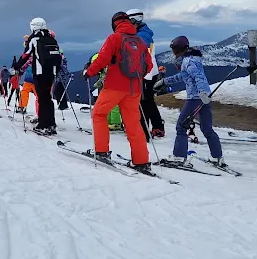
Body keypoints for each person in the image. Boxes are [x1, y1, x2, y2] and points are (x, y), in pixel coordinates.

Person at [83, 12, 153, 174]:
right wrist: (135, 78)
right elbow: (148, 66)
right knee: (133, 123)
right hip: (134, 89)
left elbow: (102, 59)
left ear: (114, 24)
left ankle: (101, 152)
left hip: (114, 87)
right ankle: (141, 161)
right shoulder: (141, 42)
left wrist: (89, 72)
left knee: (99, 115)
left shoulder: (114, 38)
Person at [159, 36, 225, 168]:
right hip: (203, 97)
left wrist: (202, 93)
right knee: (207, 128)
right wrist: (164, 81)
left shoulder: (188, 61)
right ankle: (218, 158)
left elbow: (198, 77)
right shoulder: (190, 60)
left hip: (196, 98)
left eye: (174, 49)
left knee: (181, 126)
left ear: (178, 49)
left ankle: (178, 157)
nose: (172, 52)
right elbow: (183, 76)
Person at [22, 17, 64, 136]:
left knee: (42, 98)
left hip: (40, 73)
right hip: (52, 72)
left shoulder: (34, 39)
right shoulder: (51, 38)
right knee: (48, 98)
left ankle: (43, 125)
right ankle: (51, 124)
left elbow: (26, 54)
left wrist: (17, 66)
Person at [127, 10, 166, 138]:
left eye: (129, 22)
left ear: (135, 21)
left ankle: (143, 132)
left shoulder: (142, 35)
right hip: (149, 72)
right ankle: (157, 127)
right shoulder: (143, 32)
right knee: (148, 101)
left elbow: (137, 50)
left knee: (142, 102)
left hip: (145, 74)